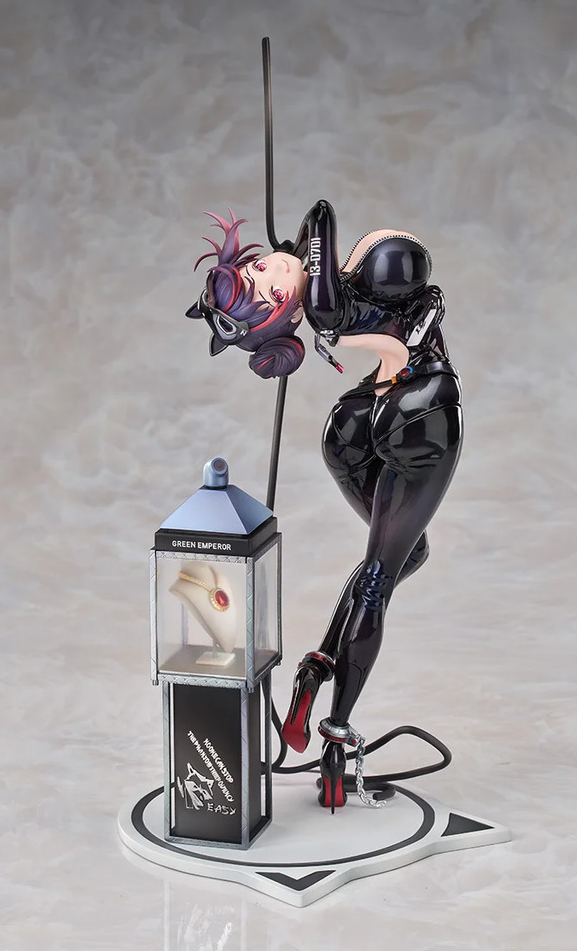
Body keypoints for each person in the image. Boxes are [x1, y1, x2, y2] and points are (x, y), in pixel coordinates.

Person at [187, 200, 463, 811]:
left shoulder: (325, 298)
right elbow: (321, 212)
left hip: (358, 419)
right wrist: (299, 252)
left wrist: (290, 261)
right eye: (267, 291)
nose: (268, 269)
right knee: (379, 580)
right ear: (287, 313)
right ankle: (336, 734)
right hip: (422, 410)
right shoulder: (325, 304)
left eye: (257, 269)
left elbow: (317, 251)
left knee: (404, 555)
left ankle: (316, 667)